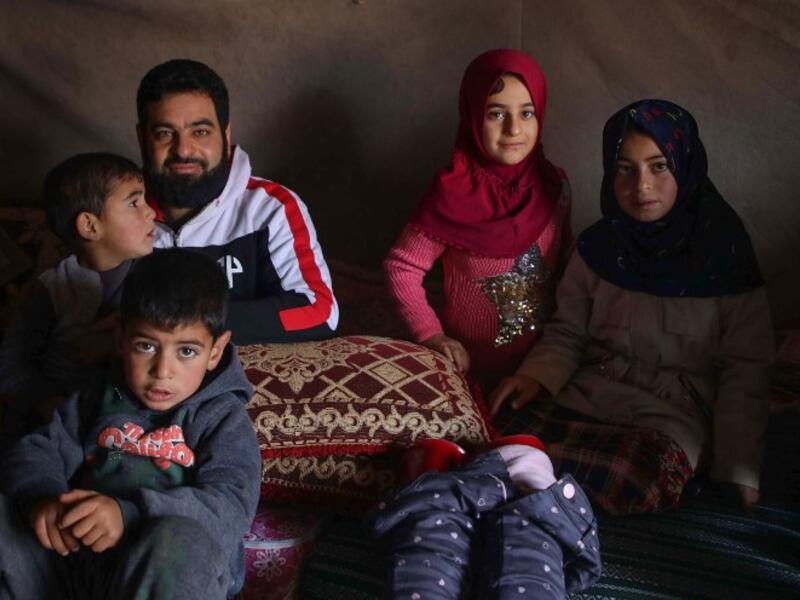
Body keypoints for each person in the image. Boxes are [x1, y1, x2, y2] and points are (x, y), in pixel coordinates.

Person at [490, 99, 774, 515]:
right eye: (625, 168)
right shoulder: (598, 248)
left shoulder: (725, 257)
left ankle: (540, 496)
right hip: (587, 395)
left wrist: (736, 470)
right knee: (496, 437)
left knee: (630, 478)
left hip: (669, 418)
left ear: (686, 166)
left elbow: (745, 372)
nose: (641, 186)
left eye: (659, 167)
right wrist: (535, 377)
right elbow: (567, 332)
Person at [0, 248, 261, 599]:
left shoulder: (221, 418)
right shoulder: (95, 396)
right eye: (146, 346)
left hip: (164, 569)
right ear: (120, 338)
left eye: (186, 351)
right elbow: (37, 450)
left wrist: (128, 516)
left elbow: (230, 508)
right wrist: (43, 500)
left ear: (215, 351)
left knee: (179, 539)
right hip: (74, 566)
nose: (162, 371)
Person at [384, 49, 572, 390]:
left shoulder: (555, 187)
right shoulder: (452, 194)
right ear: (472, 116)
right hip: (467, 373)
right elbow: (402, 267)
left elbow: (567, 270)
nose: (514, 129)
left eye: (527, 113)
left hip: (540, 370)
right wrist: (432, 335)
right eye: (496, 114)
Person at [136, 58, 338, 345]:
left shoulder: (271, 208)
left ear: (226, 134)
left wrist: (181, 324)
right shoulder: (114, 211)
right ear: (141, 138)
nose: (183, 150)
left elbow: (319, 312)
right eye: (165, 134)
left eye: (200, 131)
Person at [0, 153, 154, 443]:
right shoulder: (51, 289)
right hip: (58, 416)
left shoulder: (160, 276)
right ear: (90, 226)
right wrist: (48, 405)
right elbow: (12, 366)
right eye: (134, 203)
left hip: (131, 415)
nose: (150, 213)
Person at [369, 438, 602, 599]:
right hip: (531, 503)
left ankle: (433, 468)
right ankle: (516, 459)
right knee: (531, 553)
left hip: (443, 498)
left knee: (429, 541)